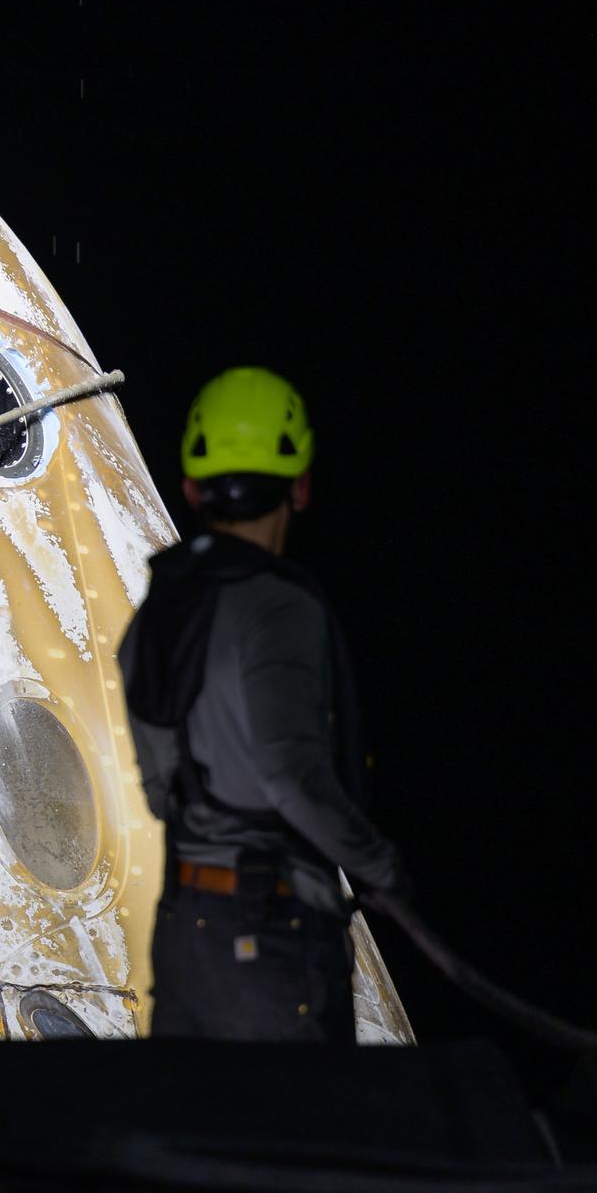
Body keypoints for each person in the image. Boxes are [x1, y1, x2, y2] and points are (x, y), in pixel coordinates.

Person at [116, 366, 412, 1042]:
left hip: (189, 930)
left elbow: (161, 788)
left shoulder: (160, 609)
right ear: (300, 487)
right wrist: (378, 866)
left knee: (199, 1125)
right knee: (295, 1133)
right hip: (273, 936)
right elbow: (290, 775)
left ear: (191, 488)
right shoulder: (279, 608)